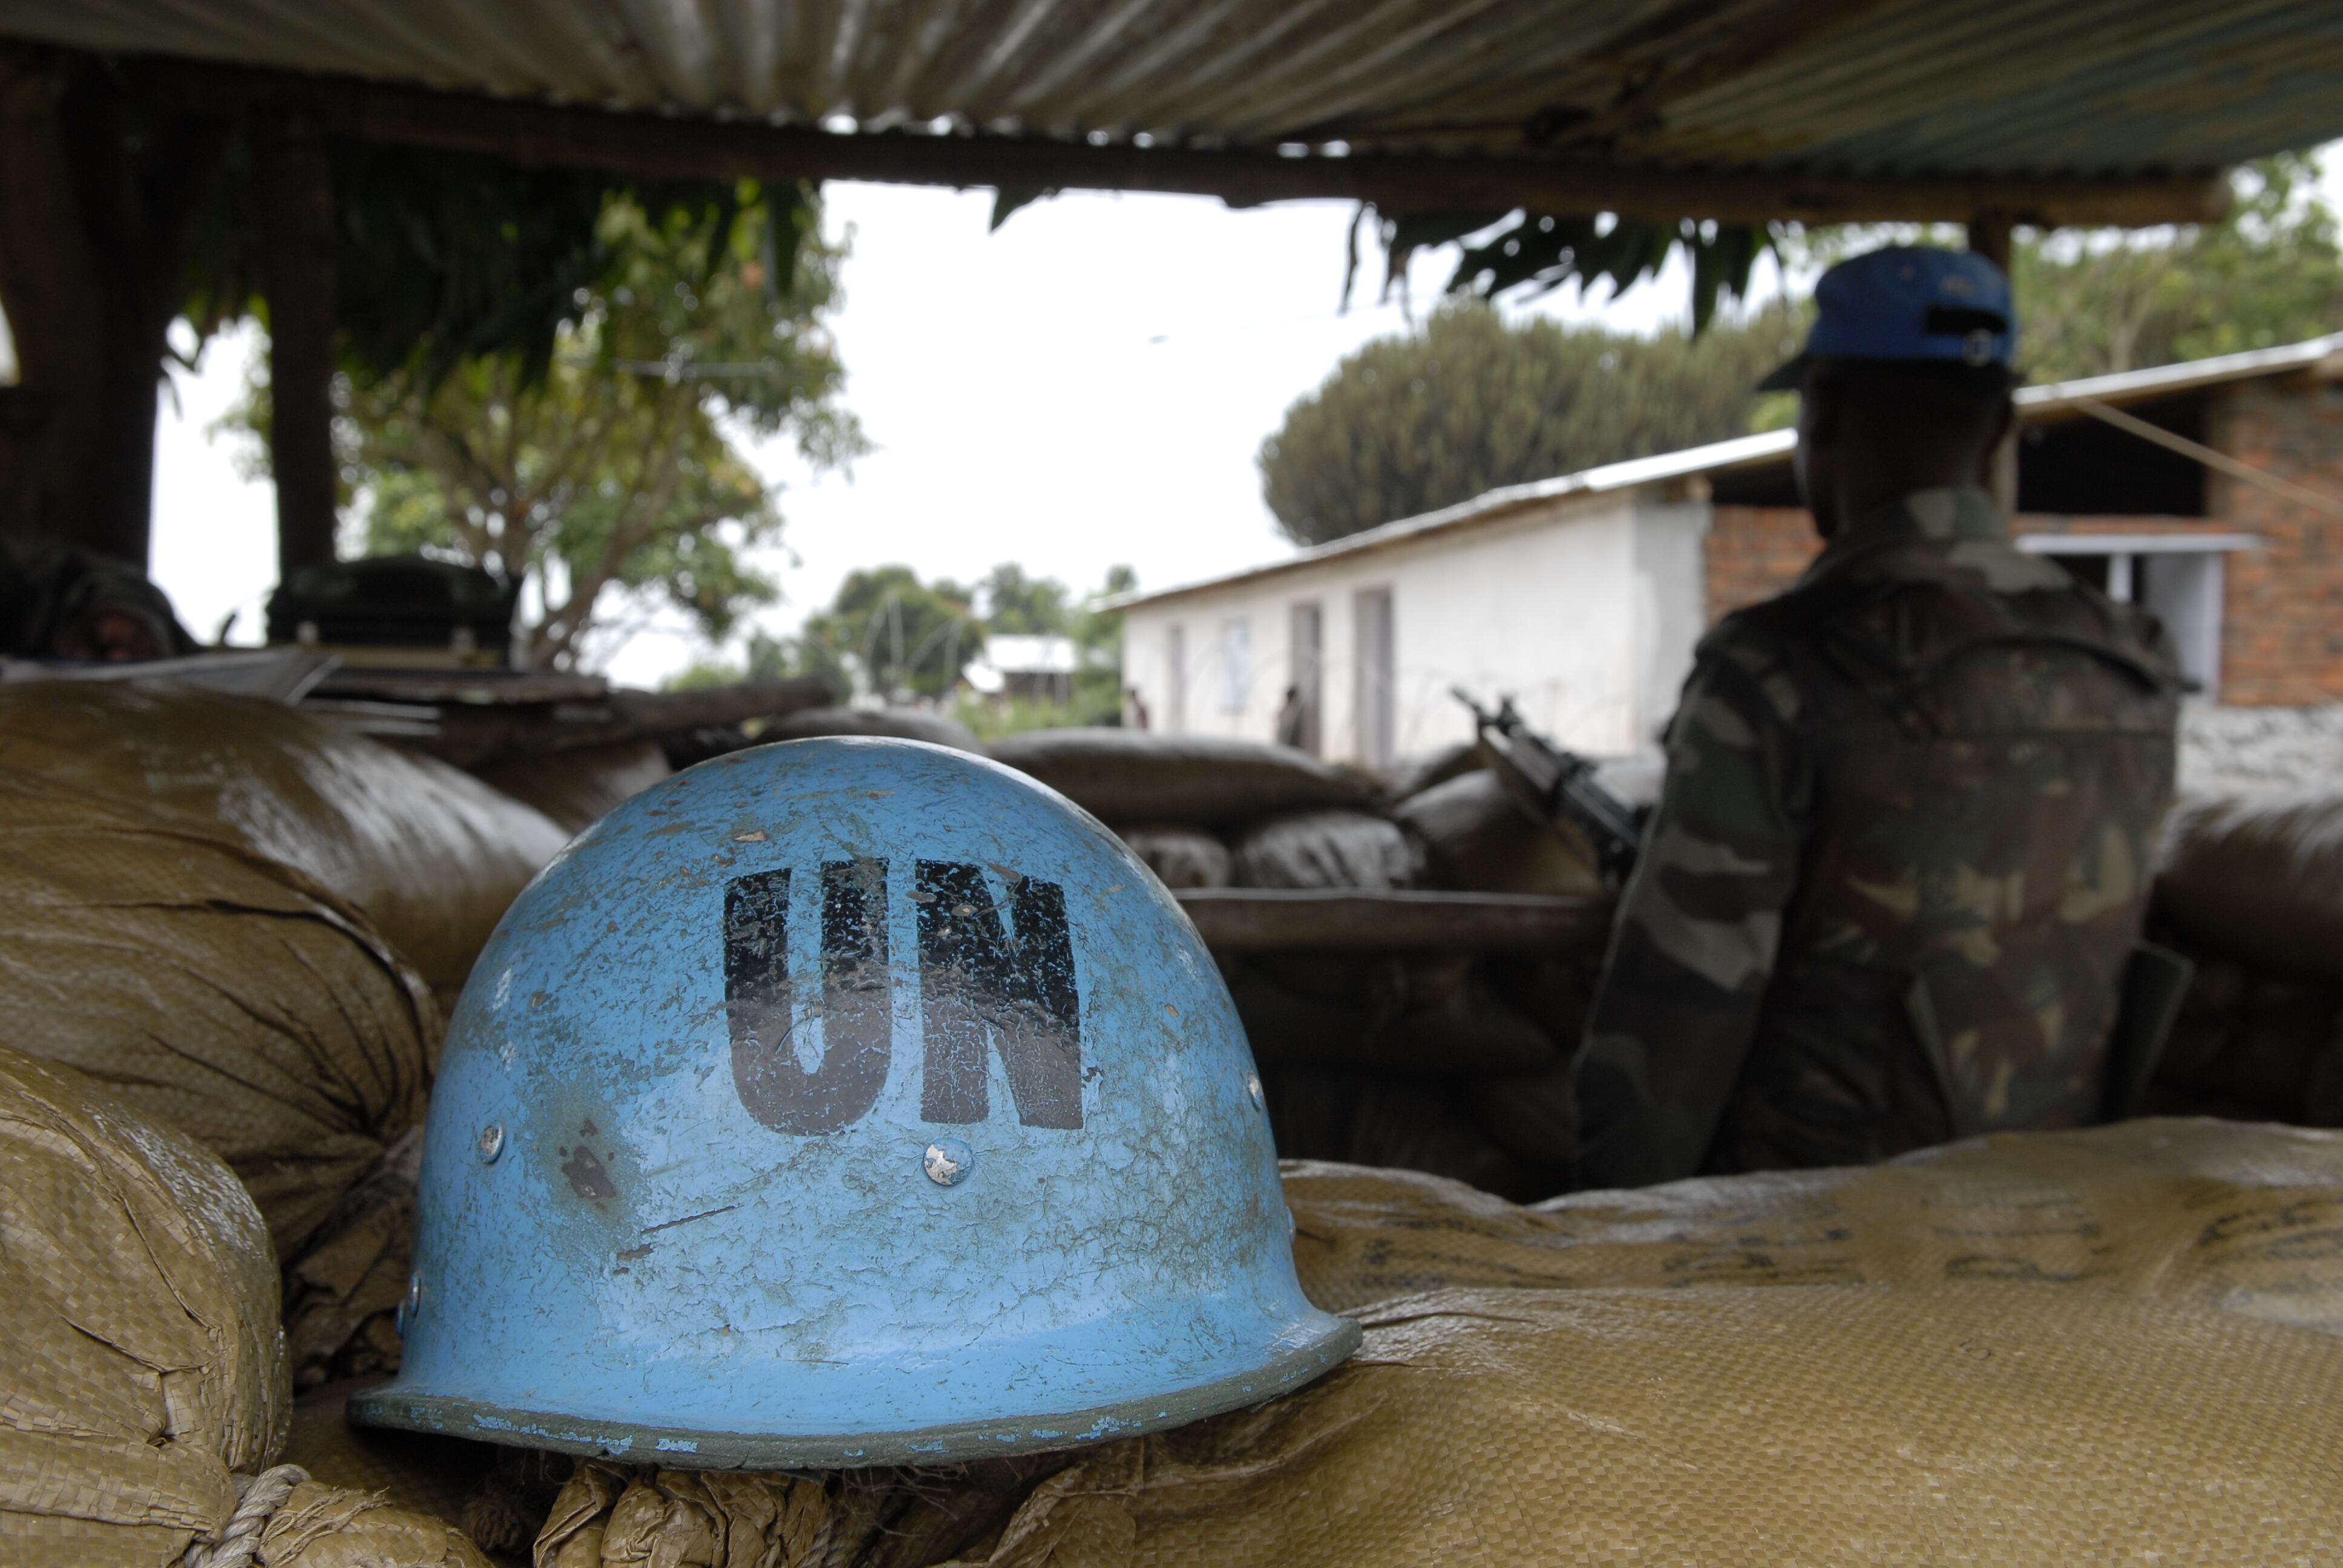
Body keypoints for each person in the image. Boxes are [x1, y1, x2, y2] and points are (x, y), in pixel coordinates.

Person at [1572, 246, 2183, 1190]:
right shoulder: (2130, 657)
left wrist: (1602, 1232)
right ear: (2000, 430)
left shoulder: (1778, 666)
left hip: (1831, 1242)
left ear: (1826, 414)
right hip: (2069, 1213)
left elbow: (1680, 1007)